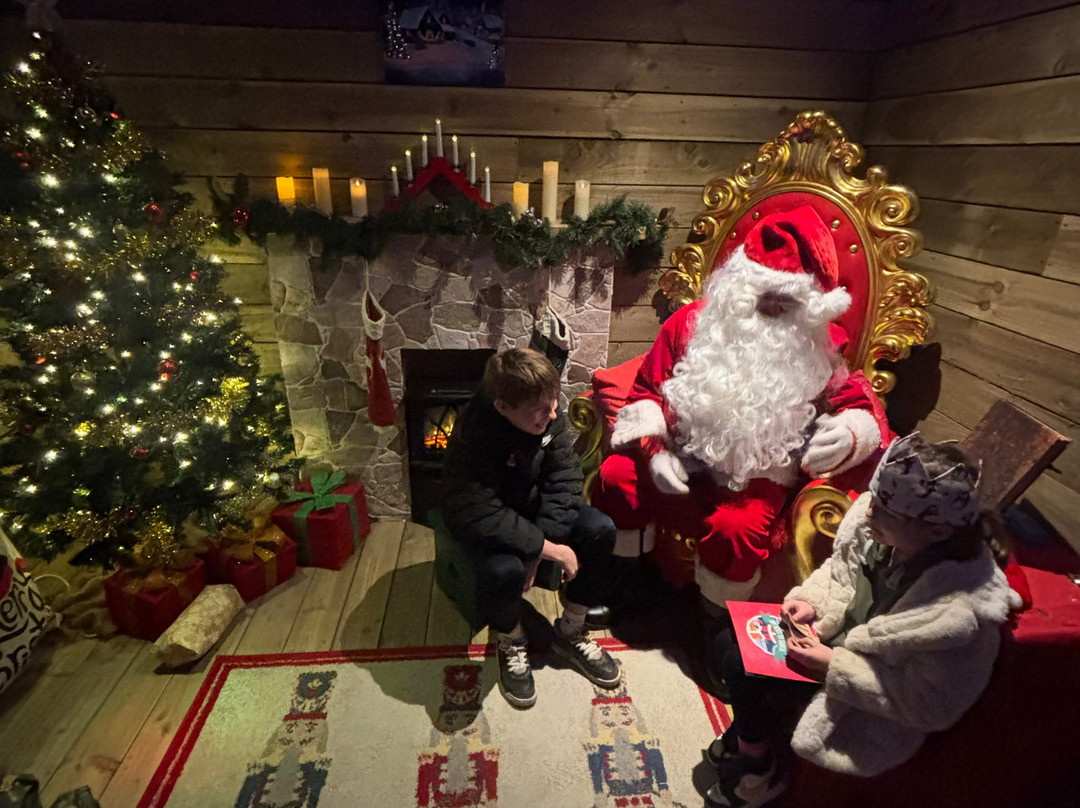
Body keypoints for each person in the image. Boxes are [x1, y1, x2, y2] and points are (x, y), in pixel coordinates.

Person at [592, 205, 890, 616]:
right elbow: (645, 391)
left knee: (737, 528)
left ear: (808, 304)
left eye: (786, 301)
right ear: (738, 285)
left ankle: (715, 619)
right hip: (682, 459)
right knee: (617, 475)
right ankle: (629, 582)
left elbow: (857, 405)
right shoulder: (689, 325)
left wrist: (852, 432)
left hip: (757, 476)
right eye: (762, 296)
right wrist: (655, 452)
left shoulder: (819, 345)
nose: (772, 308)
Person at [703, 433, 1021, 808]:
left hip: (859, 690)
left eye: (887, 510)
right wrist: (809, 601)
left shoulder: (959, 614)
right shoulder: (879, 533)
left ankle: (759, 770)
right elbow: (838, 573)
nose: (868, 512)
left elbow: (928, 705)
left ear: (936, 531)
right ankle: (749, 737)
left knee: (739, 666)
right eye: (874, 499)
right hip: (829, 640)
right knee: (727, 640)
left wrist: (833, 665)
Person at [441, 347, 621, 708]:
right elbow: (479, 510)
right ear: (502, 407)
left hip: (531, 505)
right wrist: (545, 548)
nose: (552, 414)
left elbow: (565, 478)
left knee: (601, 529)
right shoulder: (472, 433)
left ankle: (571, 629)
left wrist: (541, 546)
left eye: (553, 404)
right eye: (540, 410)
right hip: (483, 520)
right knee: (505, 570)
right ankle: (510, 639)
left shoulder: (545, 412)